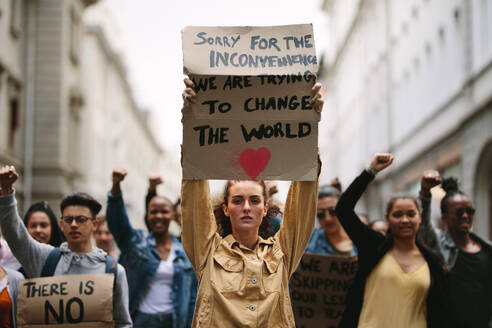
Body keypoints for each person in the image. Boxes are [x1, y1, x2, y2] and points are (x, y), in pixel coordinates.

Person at [180, 78, 324, 327]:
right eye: (237, 200)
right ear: (225, 209)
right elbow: (194, 194)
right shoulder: (208, 252)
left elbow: (303, 198)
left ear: (265, 208)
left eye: (254, 200)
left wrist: (308, 122)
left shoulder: (282, 253)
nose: (246, 207)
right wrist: (194, 118)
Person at [0, 165, 132, 328]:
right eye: (69, 220)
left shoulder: (113, 271)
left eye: (81, 219)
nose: (74, 225)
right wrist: (6, 192)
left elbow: (123, 323)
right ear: (62, 225)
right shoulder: (46, 258)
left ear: (95, 225)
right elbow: (16, 236)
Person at [335, 154, 449, 328]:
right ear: (387, 219)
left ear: (419, 218)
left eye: (411, 214)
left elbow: (439, 312)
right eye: (397, 215)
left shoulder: (432, 261)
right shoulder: (373, 246)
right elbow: (343, 209)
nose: (404, 220)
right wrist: (370, 171)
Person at [107, 168, 196, 328]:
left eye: (164, 211)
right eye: (153, 212)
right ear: (147, 216)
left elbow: (192, 297)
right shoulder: (135, 244)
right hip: (140, 321)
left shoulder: (185, 252)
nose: (159, 216)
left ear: (173, 216)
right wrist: (115, 187)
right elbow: (117, 222)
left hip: (174, 322)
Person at [419, 171, 492, 328]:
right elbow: (424, 227)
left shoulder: (487, 249)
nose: (466, 216)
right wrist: (425, 193)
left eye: (469, 211)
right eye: (459, 212)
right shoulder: (438, 245)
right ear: (444, 217)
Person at [306, 184, 357, 256]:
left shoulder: (360, 236)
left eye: (333, 211)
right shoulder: (309, 242)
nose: (328, 218)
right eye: (320, 214)